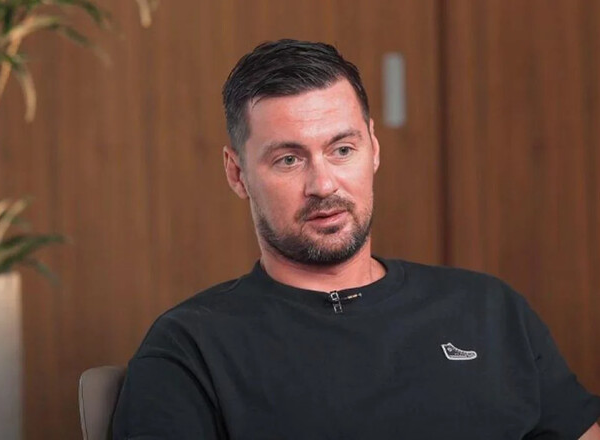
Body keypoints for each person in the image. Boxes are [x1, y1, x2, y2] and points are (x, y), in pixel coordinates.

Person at [112, 39, 600, 439]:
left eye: (342, 149)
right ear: (237, 173)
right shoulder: (192, 345)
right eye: (288, 159)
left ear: (374, 149)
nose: (323, 184)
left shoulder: (490, 309)